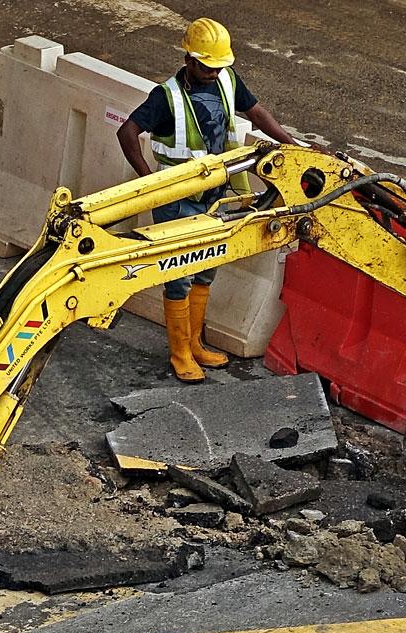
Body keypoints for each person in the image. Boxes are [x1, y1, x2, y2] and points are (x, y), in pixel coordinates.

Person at [117, 17, 302, 383]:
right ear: (189, 60)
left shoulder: (227, 81)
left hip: (216, 196)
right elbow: (127, 131)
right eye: (207, 66)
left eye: (220, 66)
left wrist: (289, 142)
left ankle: (196, 344)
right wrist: (149, 180)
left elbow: (256, 112)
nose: (215, 73)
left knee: (205, 270)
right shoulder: (166, 97)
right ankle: (180, 353)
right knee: (179, 275)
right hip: (179, 201)